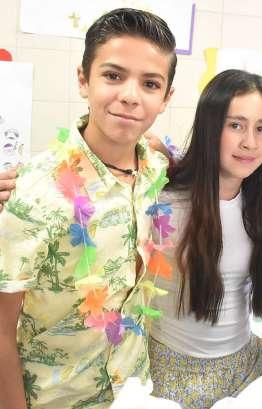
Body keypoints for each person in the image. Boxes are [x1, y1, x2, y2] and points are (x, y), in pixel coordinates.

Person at [0, 8, 176, 408]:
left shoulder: (154, 169)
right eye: (113, 76)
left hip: (134, 393)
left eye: (150, 84)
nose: (130, 95)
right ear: (83, 79)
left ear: (166, 98)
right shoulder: (34, 191)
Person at [147, 69, 262, 408]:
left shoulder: (261, 202)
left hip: (244, 369)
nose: (250, 143)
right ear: (209, 126)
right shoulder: (162, 200)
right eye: (235, 125)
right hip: (173, 374)